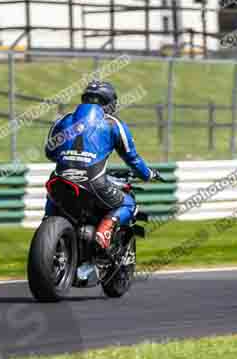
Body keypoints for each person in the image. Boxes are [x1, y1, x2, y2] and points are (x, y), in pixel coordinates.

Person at [44, 81, 163, 251]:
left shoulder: (63, 120)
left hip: (60, 179)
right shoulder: (113, 123)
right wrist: (148, 175)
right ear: (110, 102)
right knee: (129, 204)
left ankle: (47, 221)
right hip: (93, 182)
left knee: (53, 191)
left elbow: (49, 151)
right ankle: (105, 230)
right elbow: (133, 159)